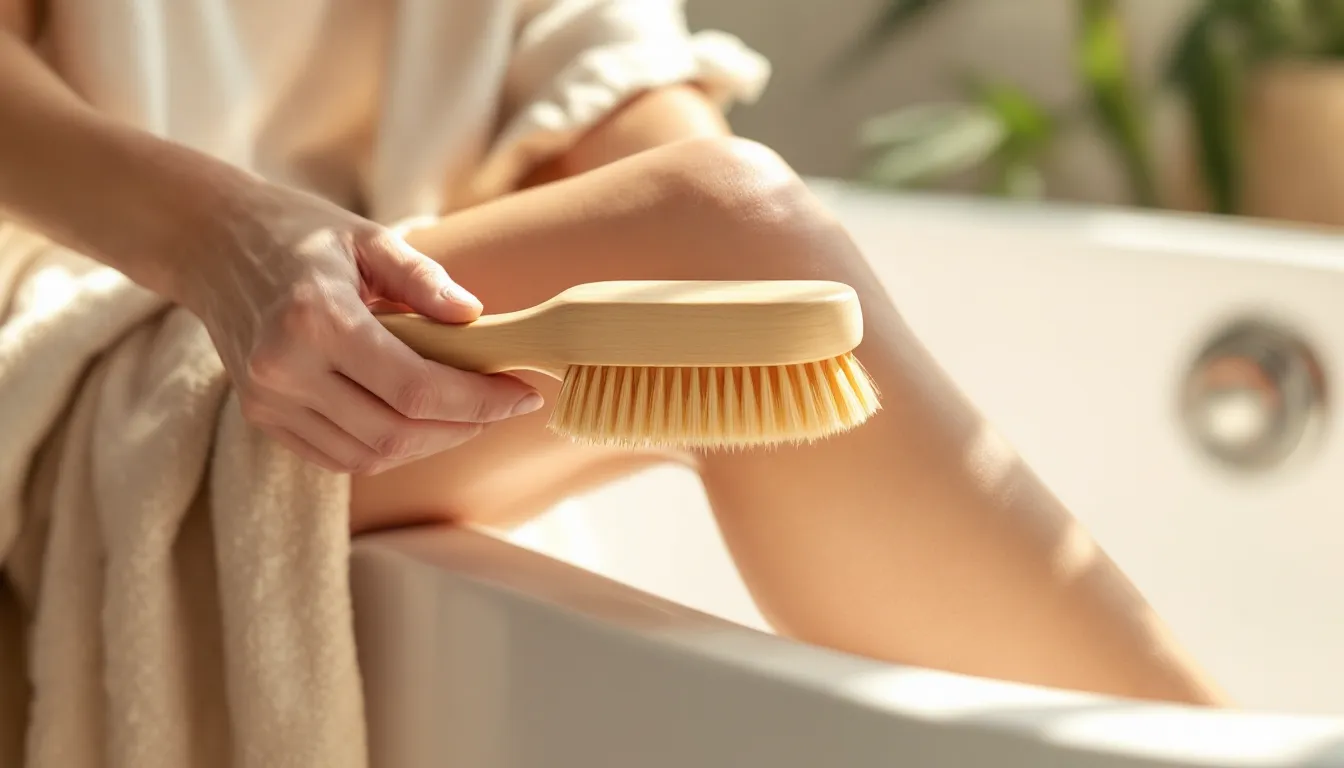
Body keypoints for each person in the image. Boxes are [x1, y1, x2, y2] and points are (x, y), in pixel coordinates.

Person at [0, 0, 1226, 706]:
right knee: (734, 228)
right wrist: (230, 240)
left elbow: (587, 52)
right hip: (88, 318)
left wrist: (683, 199)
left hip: (396, 278)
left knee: (743, 233)